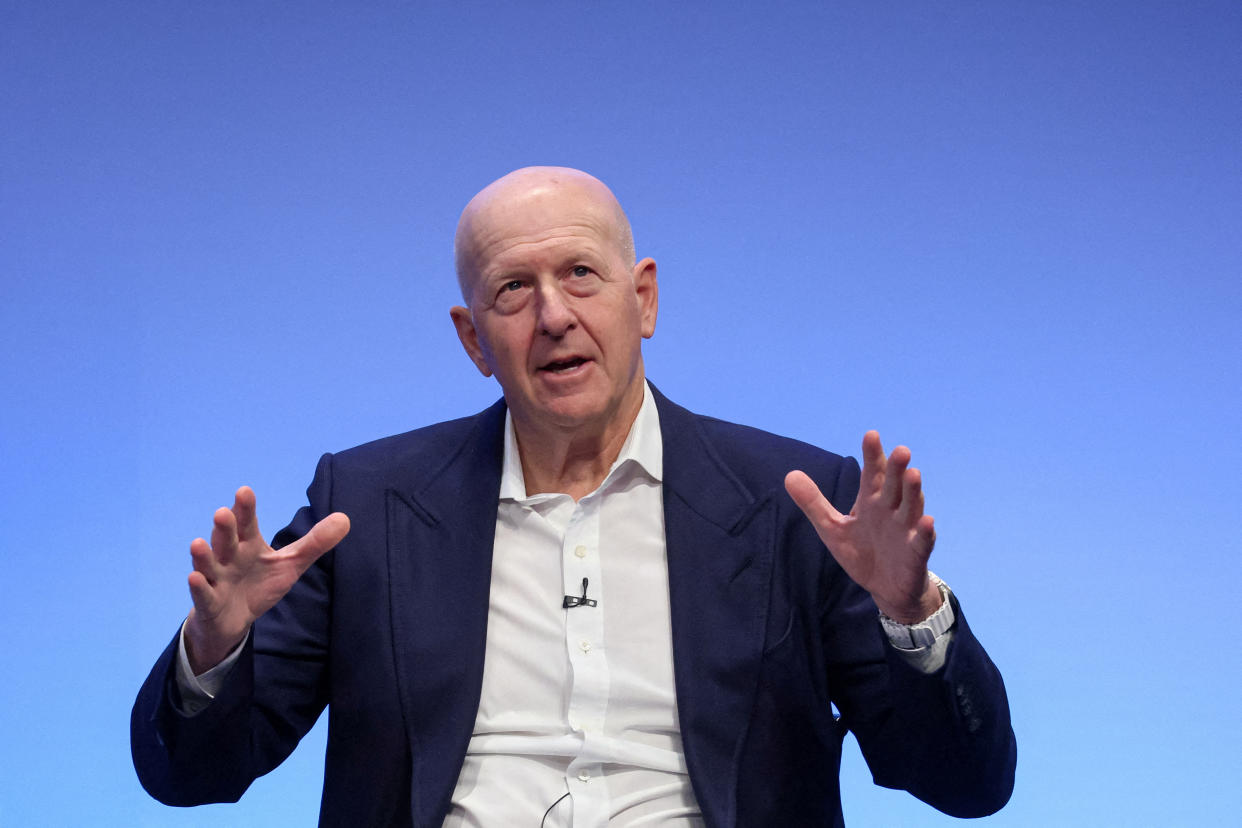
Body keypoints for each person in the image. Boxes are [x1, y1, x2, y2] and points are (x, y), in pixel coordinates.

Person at [132, 167, 1016, 826]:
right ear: (474, 339)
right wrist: (215, 647)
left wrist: (913, 616)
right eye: (514, 289)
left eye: (582, 276)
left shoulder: (797, 502)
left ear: (644, 300)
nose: (553, 315)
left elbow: (966, 783)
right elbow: (194, 776)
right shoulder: (365, 506)